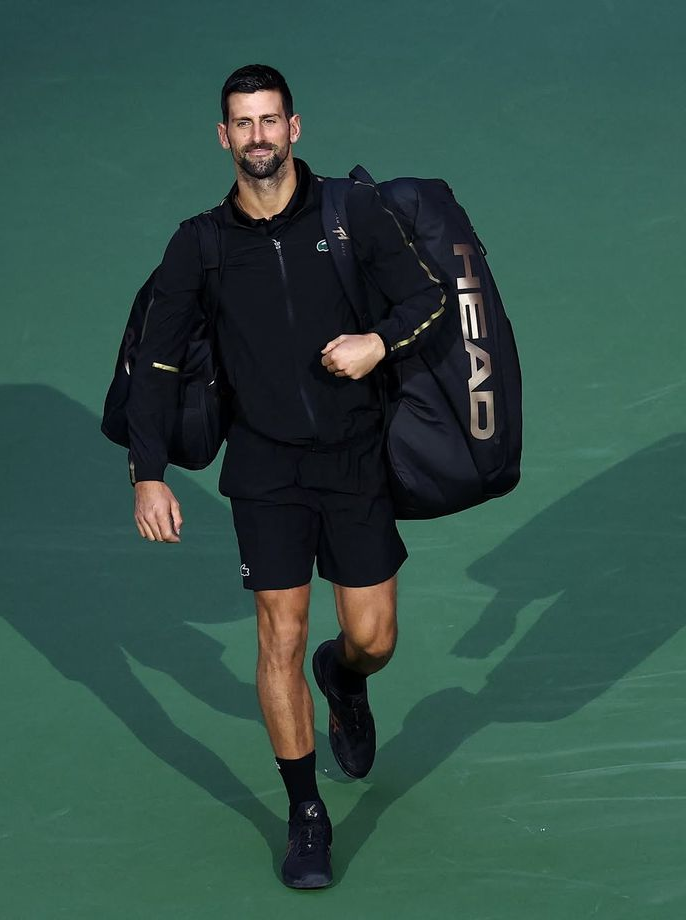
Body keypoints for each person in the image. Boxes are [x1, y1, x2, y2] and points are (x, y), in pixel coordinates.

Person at [125, 64, 449, 888]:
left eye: (270, 120)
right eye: (243, 123)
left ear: (294, 128)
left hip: (354, 457)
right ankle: (307, 815)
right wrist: (148, 473)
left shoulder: (350, 212)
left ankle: (344, 678)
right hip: (264, 466)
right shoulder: (199, 244)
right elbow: (156, 363)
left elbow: (429, 299)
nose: (258, 136)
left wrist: (377, 343)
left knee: (373, 636)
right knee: (279, 634)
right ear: (224, 137)